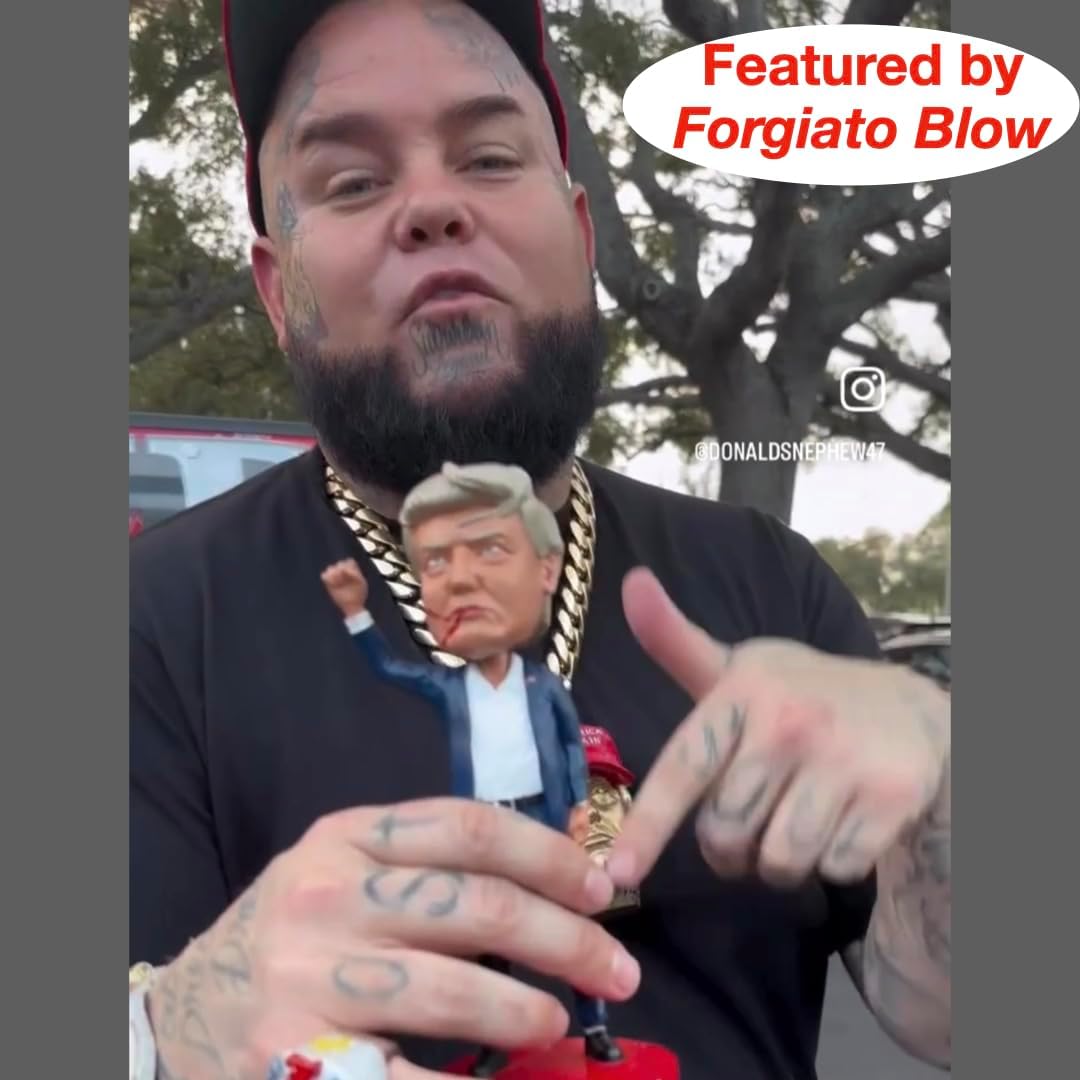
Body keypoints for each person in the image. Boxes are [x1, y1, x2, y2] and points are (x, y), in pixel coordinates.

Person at [129, 2, 952, 1080]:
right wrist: (178, 1025)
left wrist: (942, 797)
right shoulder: (143, 623)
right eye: (354, 181)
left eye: (487, 157)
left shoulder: (768, 582)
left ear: (582, 236)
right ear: (279, 292)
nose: (432, 206)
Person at [319, 461, 621, 1070]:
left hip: (544, 819)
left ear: (547, 569)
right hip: (481, 828)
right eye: (434, 564)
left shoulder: (543, 687)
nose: (459, 580)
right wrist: (356, 612)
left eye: (489, 550)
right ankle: (493, 1043)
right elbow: (389, 669)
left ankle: (594, 1028)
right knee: (489, 940)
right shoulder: (448, 688)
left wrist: (580, 806)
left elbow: (570, 746)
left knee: (576, 934)